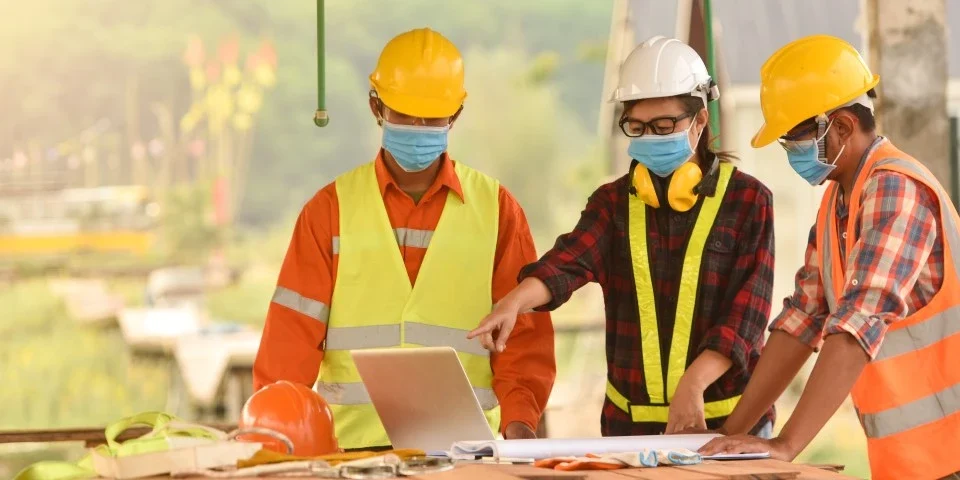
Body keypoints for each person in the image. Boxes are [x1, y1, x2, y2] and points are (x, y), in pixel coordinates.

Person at [252, 28, 556, 450]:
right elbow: (289, 344)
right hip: (348, 455)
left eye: (432, 118)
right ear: (376, 107)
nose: (418, 128)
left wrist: (520, 426)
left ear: (456, 115)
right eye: (405, 114)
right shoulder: (328, 212)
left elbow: (523, 338)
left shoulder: (499, 210)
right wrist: (274, 439)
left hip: (466, 455)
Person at [468, 36, 775, 437]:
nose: (649, 136)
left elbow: (746, 318)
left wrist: (693, 383)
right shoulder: (612, 204)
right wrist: (513, 303)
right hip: (629, 432)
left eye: (664, 125)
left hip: (731, 427)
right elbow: (567, 262)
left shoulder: (749, 202)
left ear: (700, 121)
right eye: (637, 126)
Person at [697, 34, 960, 480]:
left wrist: (785, 445)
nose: (791, 153)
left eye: (796, 138)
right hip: (911, 462)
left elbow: (857, 325)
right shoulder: (839, 200)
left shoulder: (895, 189)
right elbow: (803, 319)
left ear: (839, 126)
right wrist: (728, 437)